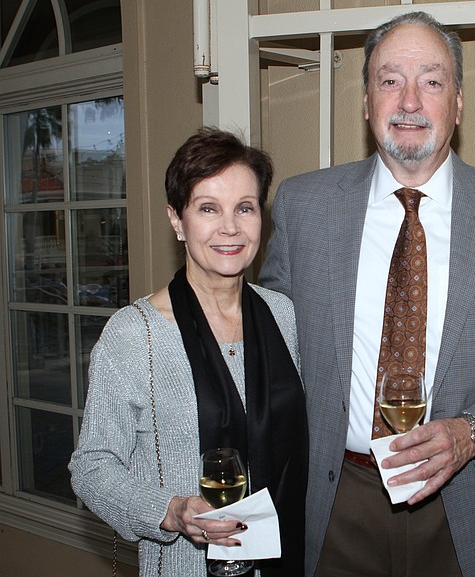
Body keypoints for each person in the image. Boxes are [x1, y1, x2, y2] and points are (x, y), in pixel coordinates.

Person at [259, 11, 475, 577]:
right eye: (389, 80)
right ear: (367, 100)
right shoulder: (304, 207)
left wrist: (472, 432)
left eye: (430, 80)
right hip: (333, 503)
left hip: (466, 505)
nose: (408, 101)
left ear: (458, 103)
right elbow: (265, 348)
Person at [69, 127, 308, 577]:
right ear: (177, 220)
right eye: (207, 209)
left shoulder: (283, 315)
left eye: (245, 208)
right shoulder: (132, 335)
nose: (230, 228)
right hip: (182, 566)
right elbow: (92, 468)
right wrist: (172, 510)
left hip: (288, 562)